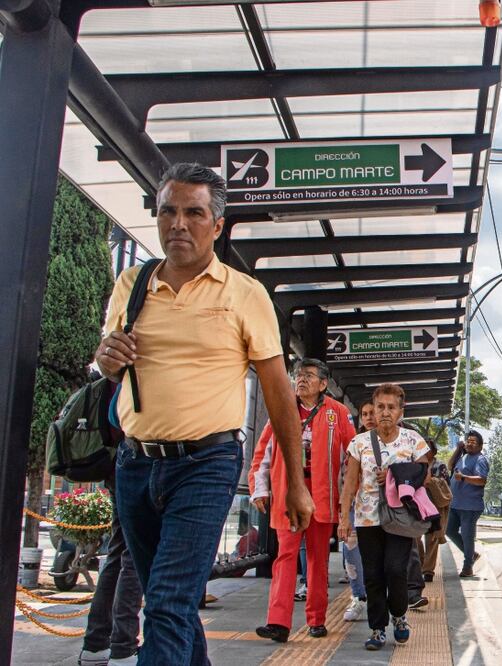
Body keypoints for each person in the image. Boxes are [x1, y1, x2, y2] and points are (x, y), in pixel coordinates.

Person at [95, 162, 314, 666]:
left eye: (193, 213)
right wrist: (105, 357)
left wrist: (294, 482)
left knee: (169, 604)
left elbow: (279, 390)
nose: (178, 224)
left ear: (216, 225)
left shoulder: (244, 293)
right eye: (168, 211)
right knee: (169, 604)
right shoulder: (132, 283)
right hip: (134, 465)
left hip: (205, 464)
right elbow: (107, 358)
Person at [250, 358, 355, 643]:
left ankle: (317, 619)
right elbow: (263, 453)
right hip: (288, 491)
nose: (301, 380)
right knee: (285, 556)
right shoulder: (282, 410)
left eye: (309, 376)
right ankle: (278, 622)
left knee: (317, 559)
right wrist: (259, 488)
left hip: (322, 493)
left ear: (323, 384)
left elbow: (352, 458)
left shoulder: (339, 413)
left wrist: (349, 501)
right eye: (299, 375)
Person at [338, 384, 430, 651]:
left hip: (399, 518)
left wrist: (394, 475)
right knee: (374, 575)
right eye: (380, 407)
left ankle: (399, 616)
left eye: (391, 407)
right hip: (367, 520)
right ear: (373, 410)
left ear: (401, 411)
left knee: (395, 570)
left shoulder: (413, 440)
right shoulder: (359, 443)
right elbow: (349, 483)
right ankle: (377, 629)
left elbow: (425, 474)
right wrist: (344, 518)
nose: (385, 412)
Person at [76, 479, 142, 666]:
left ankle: (95, 645)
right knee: (134, 554)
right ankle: (123, 648)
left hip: (117, 470)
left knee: (118, 551)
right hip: (140, 465)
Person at [341, 401, 375, 622]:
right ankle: (358, 596)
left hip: (384, 509)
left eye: (373, 412)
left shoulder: (397, 440)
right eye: (365, 414)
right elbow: (345, 479)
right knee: (351, 553)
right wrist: (343, 513)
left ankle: (381, 598)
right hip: (356, 506)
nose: (370, 417)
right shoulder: (355, 443)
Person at [447, 430, 489, 578]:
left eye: (473, 442)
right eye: (468, 441)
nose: (469, 444)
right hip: (456, 504)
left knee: (467, 536)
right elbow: (450, 465)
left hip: (470, 506)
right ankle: (471, 555)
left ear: (480, 446)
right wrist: (458, 449)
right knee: (449, 531)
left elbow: (482, 480)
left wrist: (463, 478)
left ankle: (467, 567)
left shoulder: (480, 460)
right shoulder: (463, 456)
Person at [420, 440, 451, 583]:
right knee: (414, 537)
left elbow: (446, 486)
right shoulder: (415, 463)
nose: (425, 451)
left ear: (434, 451)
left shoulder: (440, 466)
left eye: (428, 448)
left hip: (434, 506)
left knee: (432, 538)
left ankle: (428, 571)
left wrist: (431, 481)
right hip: (417, 506)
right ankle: (419, 564)